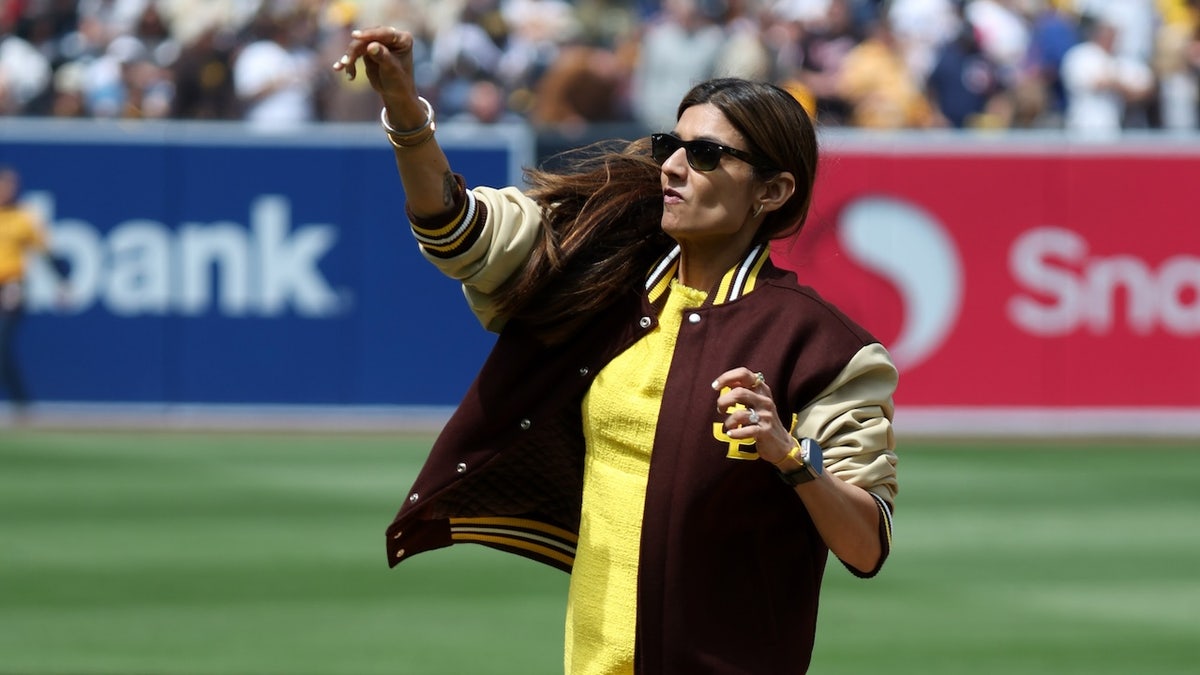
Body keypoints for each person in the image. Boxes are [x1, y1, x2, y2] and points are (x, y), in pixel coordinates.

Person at [334, 26, 898, 674]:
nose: (674, 167)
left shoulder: (822, 346)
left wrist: (791, 455)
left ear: (772, 192)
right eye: (671, 145)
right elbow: (455, 229)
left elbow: (864, 543)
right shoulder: (602, 272)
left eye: (708, 153)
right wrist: (406, 109)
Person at [0, 167, 57, 413]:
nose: (6, 190)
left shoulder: (24, 217)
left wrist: (63, 281)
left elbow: (45, 251)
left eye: (11, 185)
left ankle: (22, 404)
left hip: (12, 284)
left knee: (2, 342)